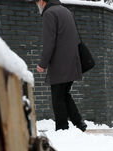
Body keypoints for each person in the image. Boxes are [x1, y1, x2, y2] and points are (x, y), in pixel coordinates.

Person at [35, 0, 87, 132]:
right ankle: (79, 123)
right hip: (72, 61)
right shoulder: (66, 11)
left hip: (60, 63)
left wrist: (43, 64)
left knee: (57, 97)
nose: (37, 5)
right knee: (64, 94)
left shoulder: (49, 13)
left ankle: (62, 129)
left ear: (42, 1)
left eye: (37, 2)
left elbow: (49, 42)